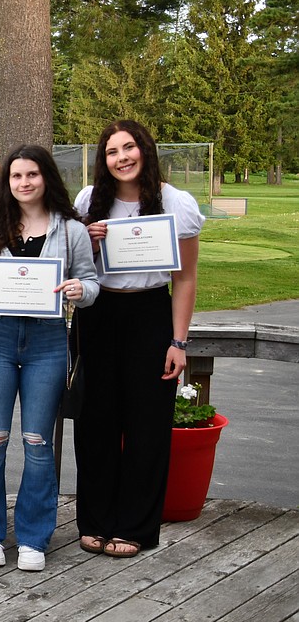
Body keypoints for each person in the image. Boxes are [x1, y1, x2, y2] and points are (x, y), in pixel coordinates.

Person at [0, 144, 99, 572]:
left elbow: (91, 282)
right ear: (8, 181)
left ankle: (34, 537)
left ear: (47, 179)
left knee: (38, 443)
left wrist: (81, 291)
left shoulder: (71, 229)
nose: (24, 183)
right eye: (17, 176)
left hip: (47, 340)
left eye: (33, 175)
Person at [73, 120, 204, 558]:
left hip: (150, 313)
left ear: (145, 150)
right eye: (112, 151)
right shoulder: (90, 200)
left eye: (129, 148)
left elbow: (184, 279)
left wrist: (178, 341)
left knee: (147, 425)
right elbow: (78, 270)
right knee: (97, 422)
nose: (122, 157)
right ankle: (95, 520)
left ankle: (136, 526)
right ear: (103, 159)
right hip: (97, 313)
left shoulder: (174, 202)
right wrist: (88, 243)